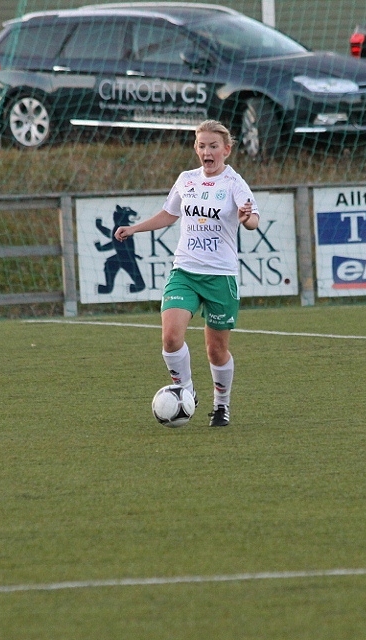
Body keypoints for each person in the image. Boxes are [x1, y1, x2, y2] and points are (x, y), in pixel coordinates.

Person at [115, 120, 260, 426]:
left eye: (213, 146)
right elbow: (169, 214)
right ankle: (185, 389)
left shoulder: (234, 183)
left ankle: (221, 405)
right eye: (202, 146)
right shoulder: (186, 180)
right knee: (170, 338)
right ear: (196, 148)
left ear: (226, 150)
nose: (207, 151)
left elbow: (252, 219)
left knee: (216, 351)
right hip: (185, 271)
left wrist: (246, 218)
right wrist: (134, 228)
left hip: (220, 276)